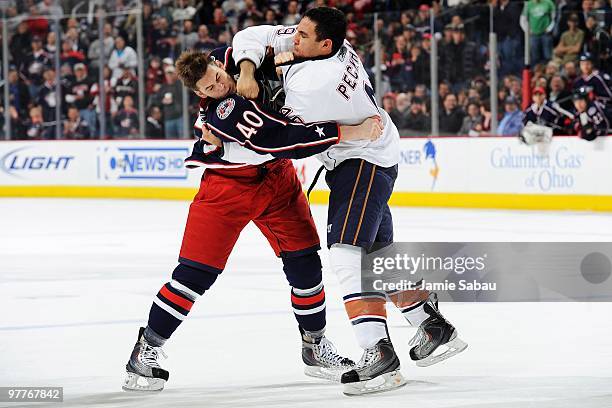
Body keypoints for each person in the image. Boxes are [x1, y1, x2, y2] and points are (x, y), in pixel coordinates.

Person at [230, 7, 466, 395]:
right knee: (377, 259)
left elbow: (282, 142)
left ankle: (378, 355)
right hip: (371, 154)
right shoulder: (328, 47)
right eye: (297, 32)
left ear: (325, 44)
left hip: (363, 161)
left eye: (303, 37)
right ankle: (433, 327)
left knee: (346, 253)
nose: (294, 39)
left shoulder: (315, 84)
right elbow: (252, 37)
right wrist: (248, 69)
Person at [122, 45, 382, 392]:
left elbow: (249, 42)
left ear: (218, 64)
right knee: (194, 276)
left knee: (305, 264)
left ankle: (315, 346)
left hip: (277, 180)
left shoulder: (229, 60)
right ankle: (146, 350)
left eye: (217, 76)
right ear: (200, 95)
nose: (219, 86)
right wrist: (350, 132)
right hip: (227, 190)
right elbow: (284, 138)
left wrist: (245, 69)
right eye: (209, 88)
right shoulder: (225, 111)